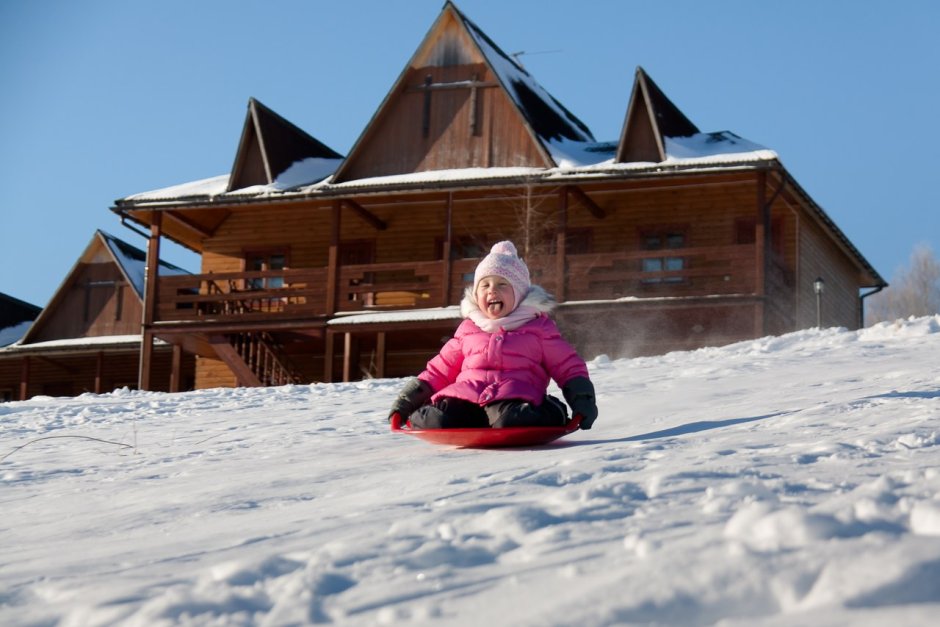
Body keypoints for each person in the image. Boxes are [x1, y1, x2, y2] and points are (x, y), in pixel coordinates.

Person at [389, 240, 598, 430]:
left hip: (515, 398)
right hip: (466, 398)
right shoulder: (468, 329)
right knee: (437, 420)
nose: (492, 291)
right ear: (477, 294)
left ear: (519, 294)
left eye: (502, 285)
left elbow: (568, 366)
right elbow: (439, 371)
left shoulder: (539, 329)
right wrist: (406, 403)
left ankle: (553, 411)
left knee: (511, 420)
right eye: (485, 285)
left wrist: (582, 401)